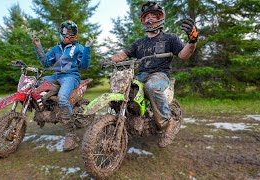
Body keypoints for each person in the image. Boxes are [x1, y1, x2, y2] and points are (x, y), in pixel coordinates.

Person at [105, 1, 198, 148]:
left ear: (160, 18)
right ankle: (126, 121)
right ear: (143, 20)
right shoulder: (139, 43)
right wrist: (109, 59)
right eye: (146, 17)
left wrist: (192, 40)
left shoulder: (170, 38)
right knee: (124, 88)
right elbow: (124, 54)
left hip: (160, 75)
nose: (150, 19)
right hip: (141, 75)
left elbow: (183, 55)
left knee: (151, 87)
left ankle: (167, 125)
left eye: (154, 16)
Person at [32, 20, 94, 151]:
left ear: (75, 34)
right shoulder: (56, 49)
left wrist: (87, 48)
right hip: (56, 76)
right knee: (35, 84)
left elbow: (84, 66)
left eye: (71, 32)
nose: (68, 34)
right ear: (61, 32)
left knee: (62, 98)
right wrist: (38, 46)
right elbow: (45, 62)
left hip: (71, 77)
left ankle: (71, 135)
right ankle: (42, 113)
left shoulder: (78, 47)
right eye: (65, 31)